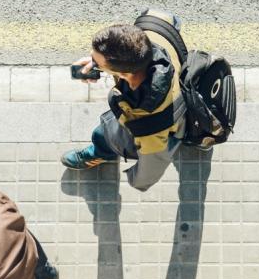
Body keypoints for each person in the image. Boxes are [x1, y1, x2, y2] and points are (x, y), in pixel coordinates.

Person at [60, 10, 186, 192]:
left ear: (125, 74)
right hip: (177, 94)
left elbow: (151, 168)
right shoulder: (153, 25)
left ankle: (101, 152)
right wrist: (100, 65)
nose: (92, 62)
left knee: (105, 133)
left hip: (161, 125)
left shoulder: (149, 126)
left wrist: (135, 180)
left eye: (97, 62)